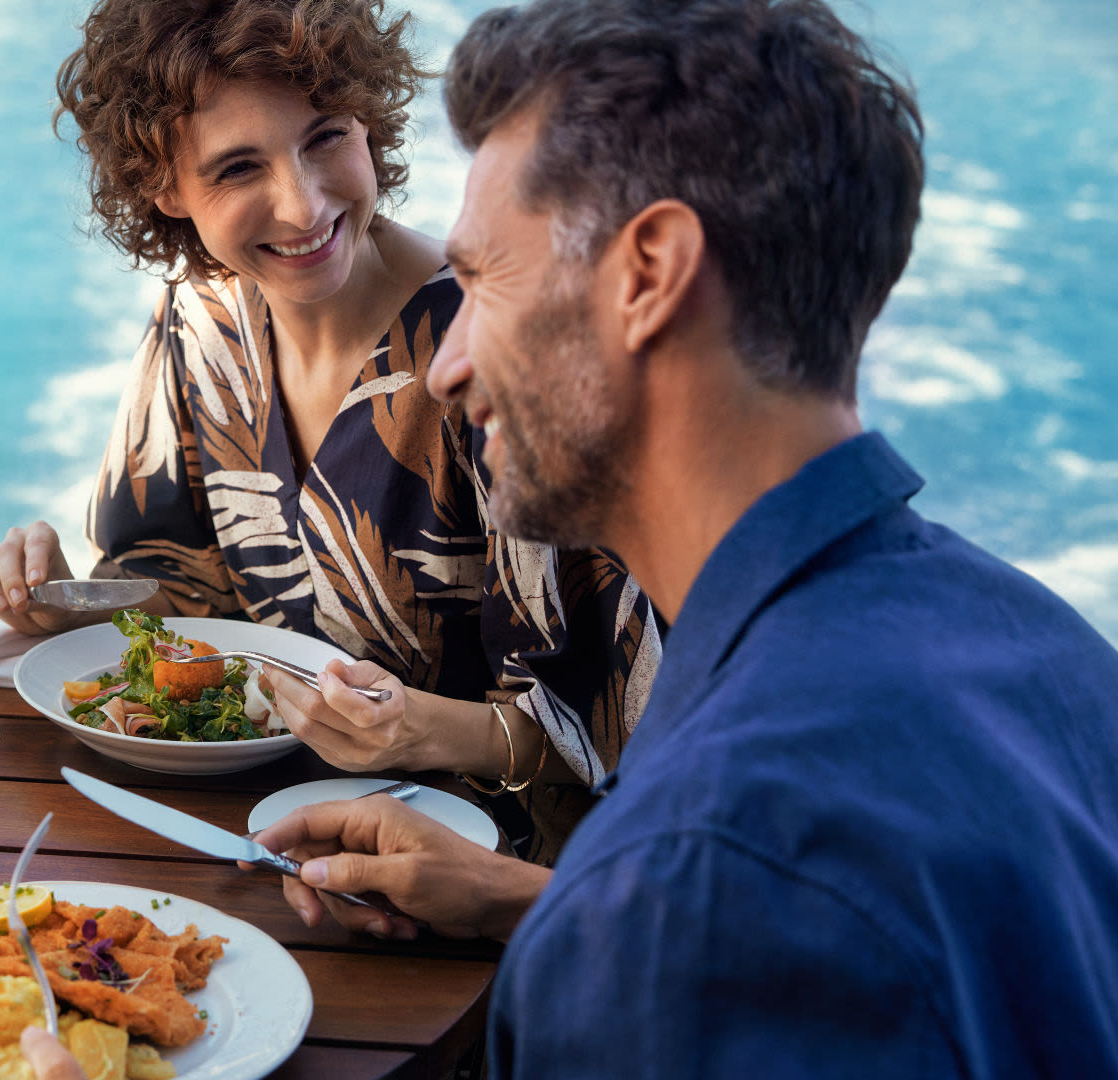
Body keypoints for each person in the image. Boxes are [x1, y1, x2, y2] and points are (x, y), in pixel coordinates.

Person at [256, 0, 1118, 1072]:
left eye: (482, 282)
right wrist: (545, 905)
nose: (446, 364)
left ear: (651, 272)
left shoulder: (695, 880)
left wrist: (611, 923)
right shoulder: (1054, 655)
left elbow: (726, 914)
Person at [0, 0, 661, 863]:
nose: (302, 206)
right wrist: (70, 602)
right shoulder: (202, 320)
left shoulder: (497, 355)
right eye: (238, 168)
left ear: (370, 119)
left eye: (326, 137)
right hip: (261, 836)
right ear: (163, 187)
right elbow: (188, 598)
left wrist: (416, 733)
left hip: (494, 877)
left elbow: (624, 720)